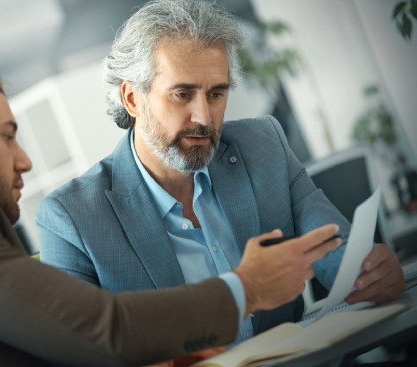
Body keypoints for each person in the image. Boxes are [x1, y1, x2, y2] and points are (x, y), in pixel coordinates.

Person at [0, 53, 340, 367]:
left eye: (217, 92)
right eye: (7, 136)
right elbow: (101, 326)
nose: (24, 159)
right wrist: (247, 288)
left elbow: (52, 341)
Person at [36, 0, 405, 345]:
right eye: (182, 94)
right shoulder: (71, 219)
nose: (204, 117)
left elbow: (333, 246)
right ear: (133, 99)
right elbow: (83, 351)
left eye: (216, 94)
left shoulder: (264, 145)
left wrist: (368, 272)